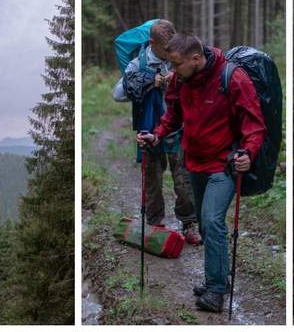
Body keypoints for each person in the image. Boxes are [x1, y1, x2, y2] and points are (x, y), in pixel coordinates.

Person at [137, 33, 266, 312]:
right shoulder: (179, 81)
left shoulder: (232, 79)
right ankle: (217, 279)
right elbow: (173, 115)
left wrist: (248, 154)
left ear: (196, 58)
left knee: (211, 220)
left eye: (176, 64)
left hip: (224, 163)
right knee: (206, 224)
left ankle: (217, 290)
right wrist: (157, 135)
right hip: (194, 162)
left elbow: (254, 125)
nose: (171, 71)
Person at [112, 20, 200, 245]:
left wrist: (177, 77)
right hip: (149, 129)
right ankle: (155, 224)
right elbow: (118, 94)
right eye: (165, 48)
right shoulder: (137, 64)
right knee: (152, 178)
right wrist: (149, 81)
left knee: (183, 177)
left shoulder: (178, 59)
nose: (170, 52)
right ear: (152, 44)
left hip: (178, 127)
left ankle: (189, 224)